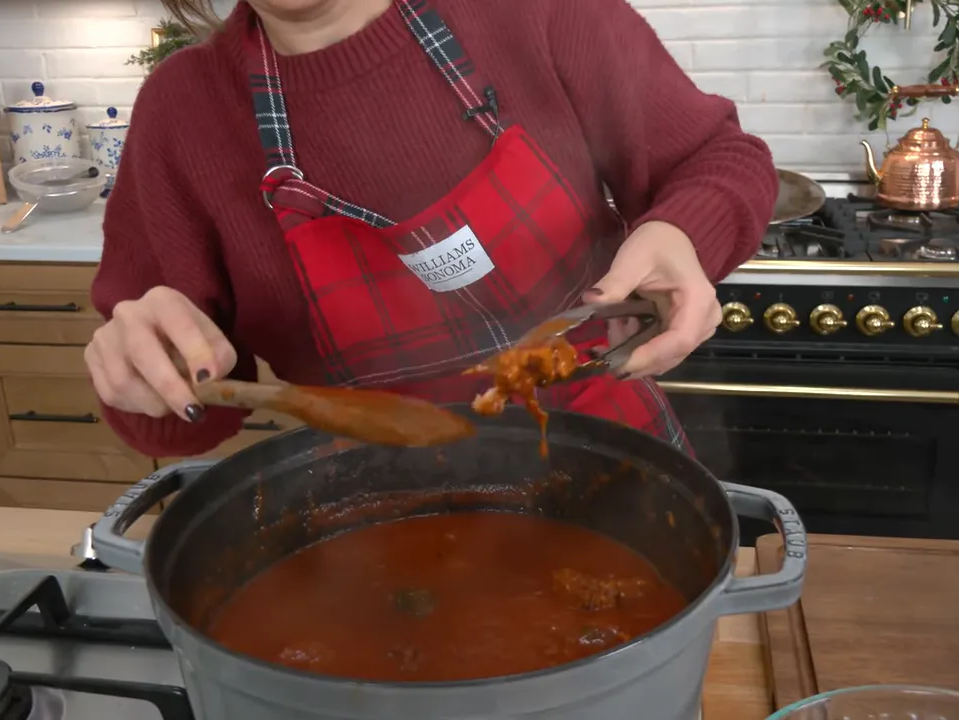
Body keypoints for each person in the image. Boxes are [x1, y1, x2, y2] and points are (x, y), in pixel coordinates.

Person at [86, 0, 778, 459]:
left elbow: (716, 159)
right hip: (374, 525)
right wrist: (145, 369)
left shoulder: (534, 9)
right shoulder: (183, 116)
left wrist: (684, 236)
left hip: (620, 475)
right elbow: (178, 409)